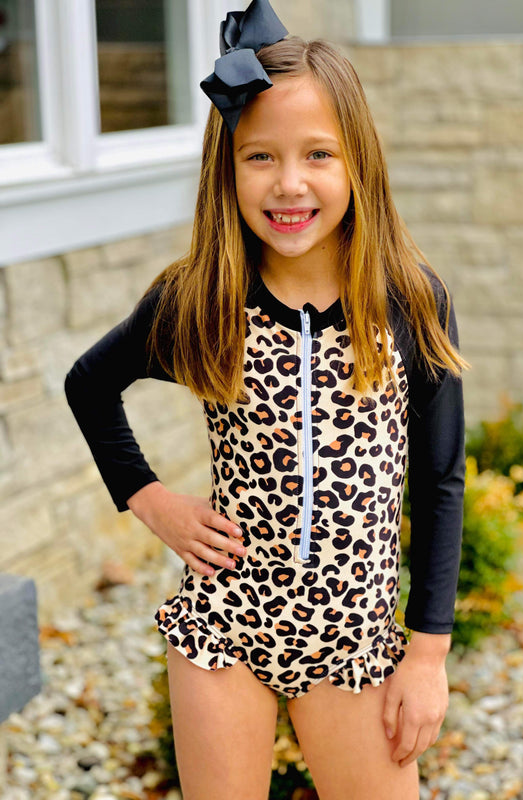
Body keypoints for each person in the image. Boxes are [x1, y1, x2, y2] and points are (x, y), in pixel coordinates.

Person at [64, 2, 468, 798]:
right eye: (260, 157)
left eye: (318, 154)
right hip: (226, 626)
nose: (289, 183)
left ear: (357, 164)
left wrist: (426, 655)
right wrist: (150, 500)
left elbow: (440, 481)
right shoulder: (201, 299)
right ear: (227, 169)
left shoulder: (408, 301)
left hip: (353, 642)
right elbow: (90, 385)